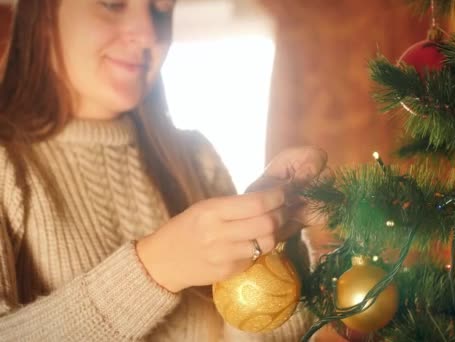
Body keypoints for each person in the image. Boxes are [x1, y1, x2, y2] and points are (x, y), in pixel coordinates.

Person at [0, 0, 327, 341]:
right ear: (43, 13)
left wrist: (272, 241)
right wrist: (156, 268)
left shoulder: (197, 158)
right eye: (114, 4)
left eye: (161, 10)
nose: (149, 35)